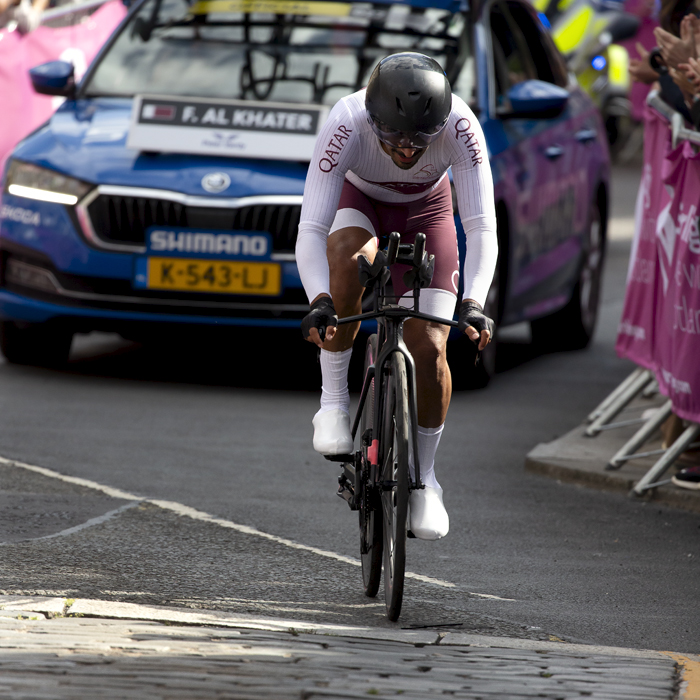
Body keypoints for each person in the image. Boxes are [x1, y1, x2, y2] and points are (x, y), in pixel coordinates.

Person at [295, 52, 497, 541]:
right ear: (373, 120)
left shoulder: (462, 126)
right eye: (393, 140)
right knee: (347, 259)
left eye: (419, 142)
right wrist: (320, 298)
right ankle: (334, 402)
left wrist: (475, 300)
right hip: (359, 205)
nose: (407, 152)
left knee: (429, 346)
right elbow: (312, 227)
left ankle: (426, 479)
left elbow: (480, 225)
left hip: (428, 212)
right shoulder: (347, 119)